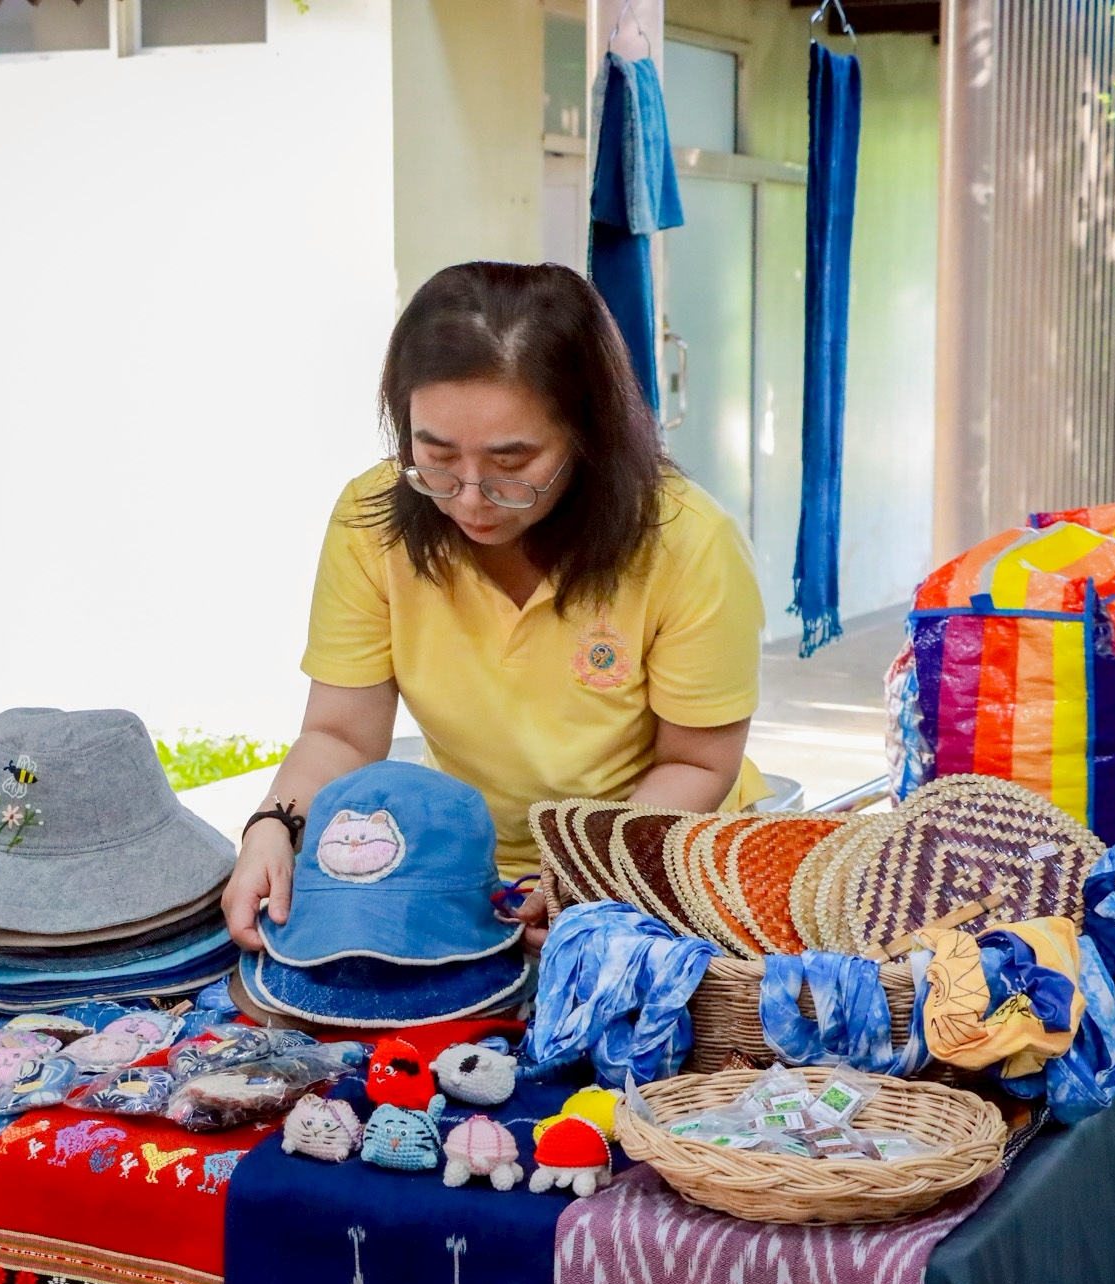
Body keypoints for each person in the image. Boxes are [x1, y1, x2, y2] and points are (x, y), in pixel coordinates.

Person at [222, 262, 766, 953]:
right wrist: (274, 824)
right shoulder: (371, 521)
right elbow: (341, 735)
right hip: (462, 862)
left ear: (586, 434)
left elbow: (696, 764)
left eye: (513, 463)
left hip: (654, 851)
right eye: (436, 454)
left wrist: (587, 870)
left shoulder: (689, 544)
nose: (471, 498)